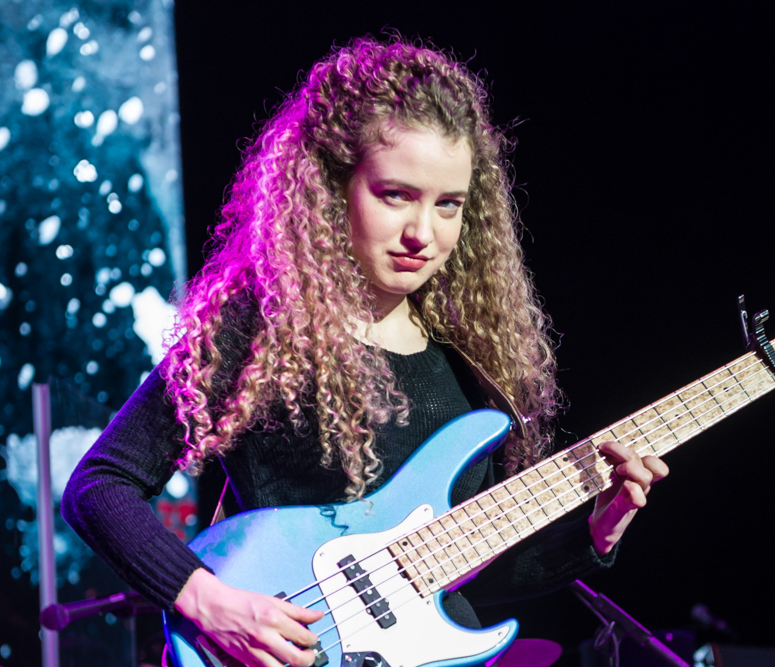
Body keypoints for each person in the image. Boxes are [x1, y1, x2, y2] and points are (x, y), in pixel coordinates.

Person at [62, 37, 668, 667]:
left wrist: (597, 532)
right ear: (330, 188)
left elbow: (458, 579)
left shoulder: (468, 370)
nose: (422, 234)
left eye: (449, 206)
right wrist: (209, 601)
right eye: (395, 194)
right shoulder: (258, 329)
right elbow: (98, 487)